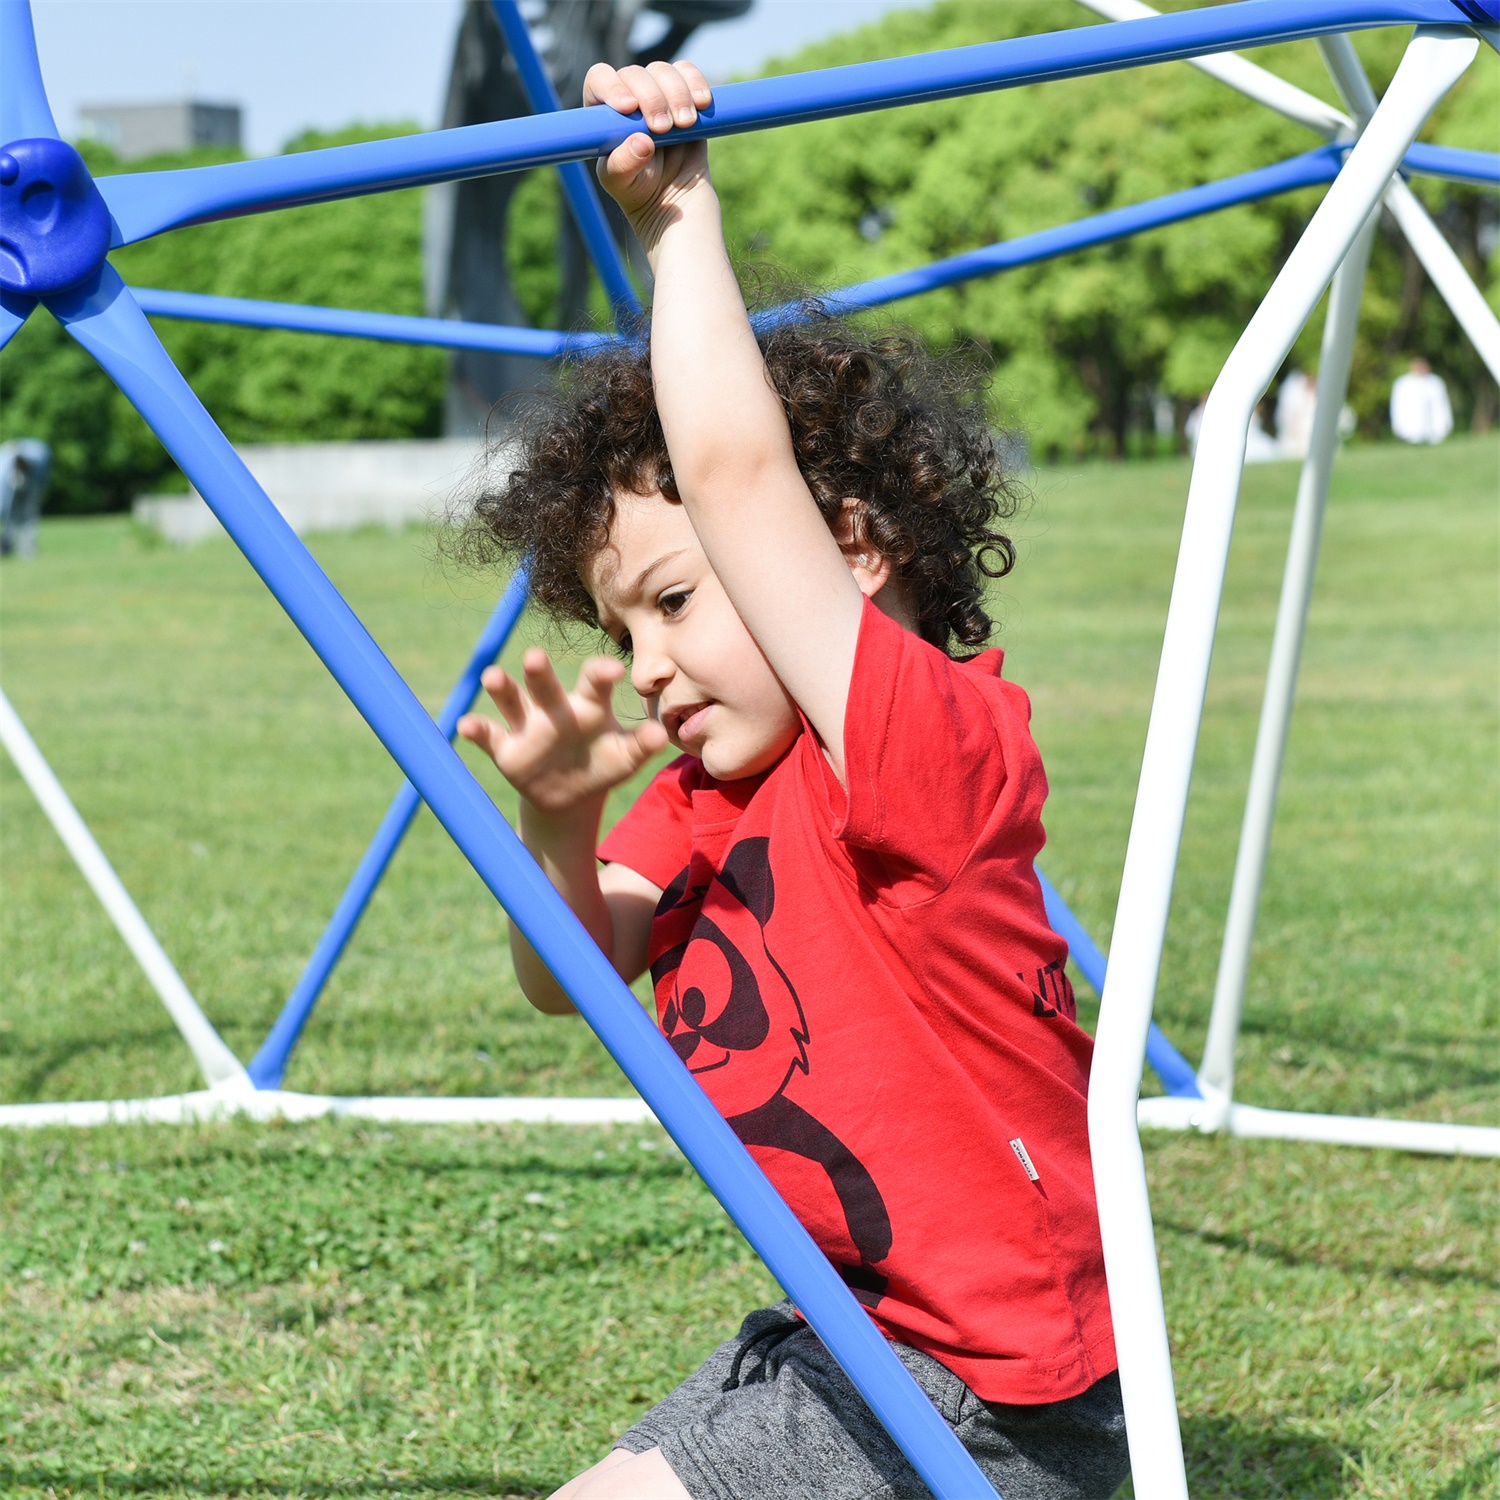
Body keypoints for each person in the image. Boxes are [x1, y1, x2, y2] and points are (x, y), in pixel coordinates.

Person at [457, 59, 1128, 1500]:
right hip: (842, 1339)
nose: (646, 662)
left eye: (678, 600)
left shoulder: (923, 752)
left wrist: (679, 213)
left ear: (853, 553)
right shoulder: (708, 795)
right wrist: (557, 825)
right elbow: (571, 971)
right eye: (620, 626)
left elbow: (736, 473)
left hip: (995, 1398)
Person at [0, 438, 51, 558]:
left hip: (32, 480)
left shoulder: (39, 457)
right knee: (11, 512)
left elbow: (40, 484)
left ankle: (27, 547)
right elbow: (4, 503)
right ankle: (7, 542)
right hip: (10, 483)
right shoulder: (3, 470)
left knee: (29, 515)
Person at [1389, 357, 1453, 444]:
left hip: (1434, 432)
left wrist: (1446, 425)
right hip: (1410, 431)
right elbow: (1397, 407)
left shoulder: (1435, 382)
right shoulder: (1403, 383)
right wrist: (1398, 427)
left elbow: (1443, 405)